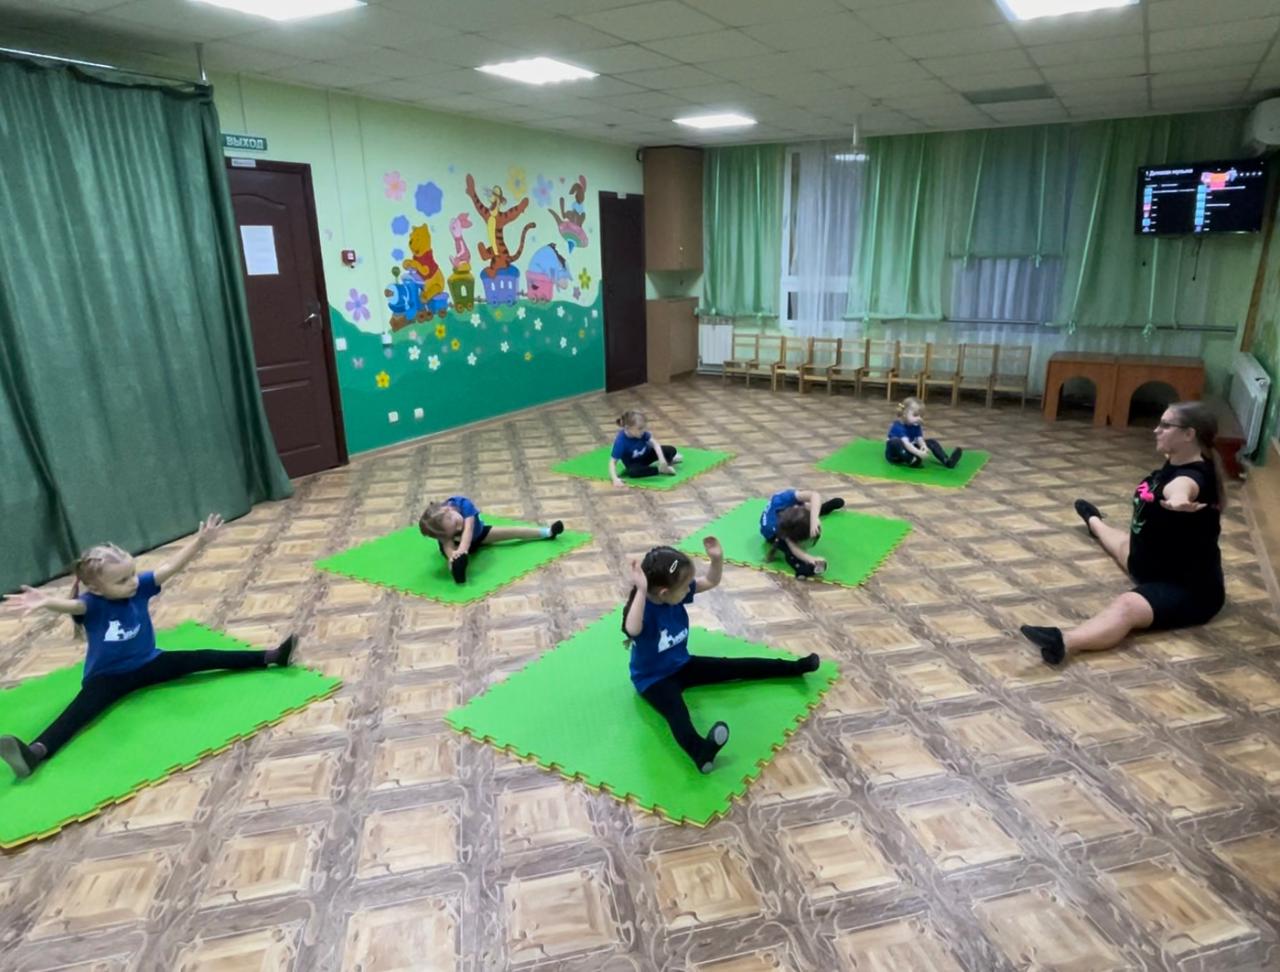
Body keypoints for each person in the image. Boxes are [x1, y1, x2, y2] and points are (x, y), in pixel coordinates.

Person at [0, 515, 296, 779]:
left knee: (203, 657)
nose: (131, 583)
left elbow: (169, 568)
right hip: (107, 678)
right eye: (122, 581)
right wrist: (45, 602)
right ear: (97, 588)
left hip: (149, 662)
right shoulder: (91, 604)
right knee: (77, 713)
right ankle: (35, 753)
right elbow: (71, 606)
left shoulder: (139, 587)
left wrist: (200, 541)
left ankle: (270, 656)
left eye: (132, 574)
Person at [1021, 401, 1227, 665]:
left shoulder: (1194, 476)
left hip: (1188, 589)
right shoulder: (1175, 461)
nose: (1156, 430)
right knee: (1120, 542)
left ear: (1189, 434)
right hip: (1149, 563)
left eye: (1165, 426)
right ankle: (1094, 522)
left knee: (1127, 606)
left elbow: (1182, 487)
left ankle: (1063, 642)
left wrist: (1179, 501)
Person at [622, 540, 820, 773]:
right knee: (677, 713)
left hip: (682, 665)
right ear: (664, 593)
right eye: (684, 588)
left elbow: (711, 581)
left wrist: (716, 559)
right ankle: (700, 752)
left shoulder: (673, 593)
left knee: (734, 667)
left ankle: (795, 667)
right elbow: (632, 629)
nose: (688, 590)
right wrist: (642, 591)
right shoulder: (644, 610)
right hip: (653, 680)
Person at [418, 497, 563, 584]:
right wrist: (454, 555)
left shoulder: (463, 504)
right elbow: (446, 543)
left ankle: (548, 532)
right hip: (456, 545)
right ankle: (456, 570)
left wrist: (463, 550)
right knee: (448, 549)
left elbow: (468, 531)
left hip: (479, 535)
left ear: (448, 510)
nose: (459, 526)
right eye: (454, 529)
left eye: (456, 522)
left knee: (513, 532)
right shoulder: (445, 530)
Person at [760, 489, 846, 578]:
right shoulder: (779, 527)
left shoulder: (785, 498)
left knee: (811, 508)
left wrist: (814, 519)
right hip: (772, 534)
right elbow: (793, 547)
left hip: (790, 514)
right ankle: (801, 569)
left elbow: (814, 495)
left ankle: (822, 509)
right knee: (788, 549)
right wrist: (810, 559)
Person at [885, 396, 963, 468]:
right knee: (895, 441)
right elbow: (907, 444)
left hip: (910, 449)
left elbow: (920, 439)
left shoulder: (916, 425)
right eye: (915, 415)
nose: (919, 418)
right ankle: (911, 460)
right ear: (904, 414)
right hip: (896, 455)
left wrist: (924, 446)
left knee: (932, 442)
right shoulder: (898, 426)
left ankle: (946, 461)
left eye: (921, 416)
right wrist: (918, 453)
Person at [609, 409, 682, 486]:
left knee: (671, 449)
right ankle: (660, 470)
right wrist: (615, 479)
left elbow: (655, 444)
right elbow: (612, 462)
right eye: (640, 429)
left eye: (644, 428)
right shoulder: (621, 442)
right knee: (633, 472)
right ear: (628, 428)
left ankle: (667, 461)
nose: (643, 431)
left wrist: (662, 459)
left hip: (647, 455)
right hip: (634, 463)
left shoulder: (642, 433)